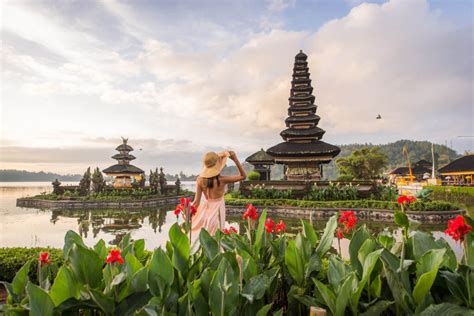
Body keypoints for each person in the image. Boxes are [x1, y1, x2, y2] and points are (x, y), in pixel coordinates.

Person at [190, 150, 246, 239]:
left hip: (205, 212)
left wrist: (189, 218)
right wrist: (235, 159)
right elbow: (243, 176)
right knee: (217, 241)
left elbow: (196, 202)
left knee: (205, 240)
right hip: (217, 212)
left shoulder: (199, 179)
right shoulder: (222, 180)